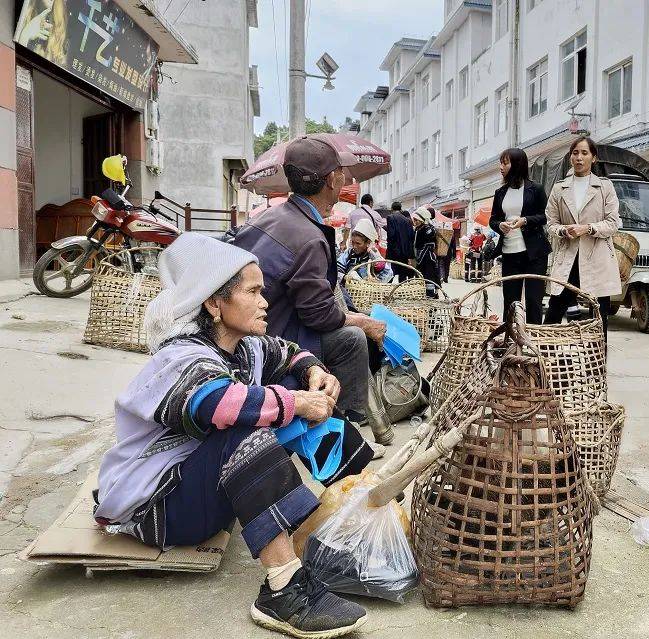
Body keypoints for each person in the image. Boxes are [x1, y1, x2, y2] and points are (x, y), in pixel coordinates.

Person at [94, 233, 371, 638]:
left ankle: (364, 514)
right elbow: (216, 404)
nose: (265, 302)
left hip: (201, 497)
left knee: (285, 394)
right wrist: (296, 402)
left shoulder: (246, 347)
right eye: (254, 292)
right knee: (246, 425)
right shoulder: (181, 355)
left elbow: (287, 350)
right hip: (159, 509)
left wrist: (314, 371)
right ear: (214, 303)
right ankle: (283, 590)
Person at [232, 136, 393, 445]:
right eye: (341, 172)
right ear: (333, 180)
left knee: (352, 325)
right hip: (270, 337)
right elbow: (318, 315)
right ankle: (337, 431)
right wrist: (362, 321)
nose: (344, 177)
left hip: (251, 325)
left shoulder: (271, 216)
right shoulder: (309, 236)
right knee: (352, 339)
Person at [543, 136, 623, 337]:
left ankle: (597, 366)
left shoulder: (605, 187)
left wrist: (587, 228)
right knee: (553, 314)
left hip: (597, 259)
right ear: (570, 157)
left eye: (584, 153)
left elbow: (613, 223)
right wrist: (563, 231)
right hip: (568, 258)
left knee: (598, 319)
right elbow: (551, 222)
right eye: (575, 153)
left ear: (593, 158)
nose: (579, 157)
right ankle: (543, 361)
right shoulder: (559, 188)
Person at [490, 147, 551, 323]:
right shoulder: (500, 192)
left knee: (534, 300)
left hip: (535, 253)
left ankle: (533, 340)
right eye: (500, 162)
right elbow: (493, 219)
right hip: (509, 252)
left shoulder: (536, 189)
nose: (501, 166)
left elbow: (545, 216)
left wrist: (525, 220)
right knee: (510, 301)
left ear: (517, 164)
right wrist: (499, 225)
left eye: (505, 162)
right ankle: (510, 340)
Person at [411, 206, 440, 297]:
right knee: (423, 279)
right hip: (422, 259)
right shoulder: (418, 229)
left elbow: (429, 242)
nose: (415, 222)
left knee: (429, 279)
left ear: (423, 220)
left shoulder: (429, 229)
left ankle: (430, 298)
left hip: (428, 259)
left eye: (417, 220)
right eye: (414, 220)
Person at [385, 201, 416, 281]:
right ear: (401, 209)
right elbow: (411, 236)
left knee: (390, 273)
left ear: (392, 209)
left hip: (394, 251)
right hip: (405, 252)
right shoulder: (407, 220)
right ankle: (402, 292)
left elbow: (391, 235)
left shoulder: (390, 217)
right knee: (403, 275)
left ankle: (389, 292)